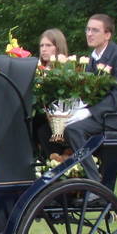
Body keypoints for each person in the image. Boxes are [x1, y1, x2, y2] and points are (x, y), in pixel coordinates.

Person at [63, 14, 117, 182]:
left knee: (73, 130)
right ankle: (65, 175)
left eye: (95, 30)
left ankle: (94, 180)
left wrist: (89, 112)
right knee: (51, 128)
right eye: (88, 29)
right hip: (98, 118)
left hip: (115, 118)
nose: (89, 33)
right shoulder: (90, 60)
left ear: (107, 34)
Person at [34, 29, 69, 158]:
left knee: (43, 131)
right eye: (41, 46)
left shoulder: (66, 70)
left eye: (48, 45)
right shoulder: (38, 70)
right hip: (41, 117)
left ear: (58, 47)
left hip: (59, 121)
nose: (44, 49)